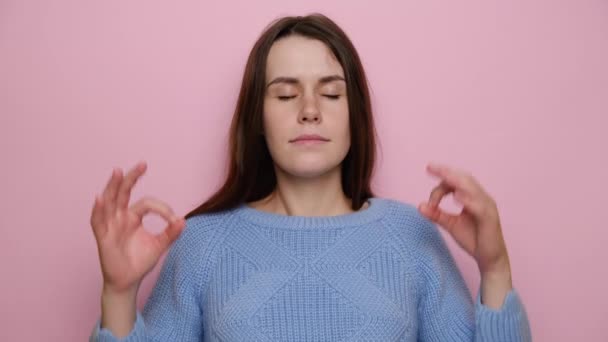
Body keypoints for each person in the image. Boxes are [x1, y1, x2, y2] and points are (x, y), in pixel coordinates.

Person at [89, 13, 531, 342]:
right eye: (285, 93)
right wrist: (119, 293)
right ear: (257, 117)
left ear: (354, 114)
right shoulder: (200, 244)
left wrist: (495, 270)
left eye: (331, 92)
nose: (309, 109)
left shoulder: (411, 236)